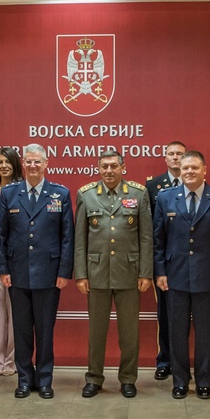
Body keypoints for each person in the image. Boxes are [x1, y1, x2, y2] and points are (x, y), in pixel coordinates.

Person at [153, 150, 210, 400]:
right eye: (185, 168)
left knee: (205, 333)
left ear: (204, 170)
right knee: (177, 332)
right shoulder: (166, 198)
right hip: (175, 276)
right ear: (179, 170)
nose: (189, 172)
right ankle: (180, 381)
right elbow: (158, 239)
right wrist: (159, 271)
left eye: (194, 168)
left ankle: (203, 380)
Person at [0, 143, 74, 399]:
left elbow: (67, 237)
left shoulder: (59, 193)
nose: (32, 165)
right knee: (22, 330)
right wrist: (3, 269)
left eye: (37, 161)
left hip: (49, 274)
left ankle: (45, 379)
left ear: (46, 163)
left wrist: (64, 271)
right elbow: (1, 235)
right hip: (17, 273)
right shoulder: (10, 193)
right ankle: (25, 379)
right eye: (28, 161)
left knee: (45, 330)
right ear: (23, 164)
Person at [74, 150, 153, 399]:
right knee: (96, 332)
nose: (109, 170)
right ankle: (94, 378)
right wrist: (80, 274)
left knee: (129, 332)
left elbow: (146, 237)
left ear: (123, 168)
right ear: (98, 168)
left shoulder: (138, 193)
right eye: (104, 166)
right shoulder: (86, 195)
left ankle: (128, 379)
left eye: (114, 166)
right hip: (96, 273)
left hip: (129, 273)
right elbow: (80, 240)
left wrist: (145, 273)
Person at [146, 140, 186, 381]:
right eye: (171, 154)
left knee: (186, 315)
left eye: (180, 154)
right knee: (165, 314)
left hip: (188, 259)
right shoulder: (152, 186)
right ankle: (164, 360)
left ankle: (182, 361)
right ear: (165, 157)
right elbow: (150, 228)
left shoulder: (198, 185)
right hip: (164, 260)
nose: (175, 158)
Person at [0, 147, 21, 376]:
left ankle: (12, 362)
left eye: (7, 162)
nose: (3, 166)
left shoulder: (22, 190)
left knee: (16, 310)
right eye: (0, 162)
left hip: (16, 257)